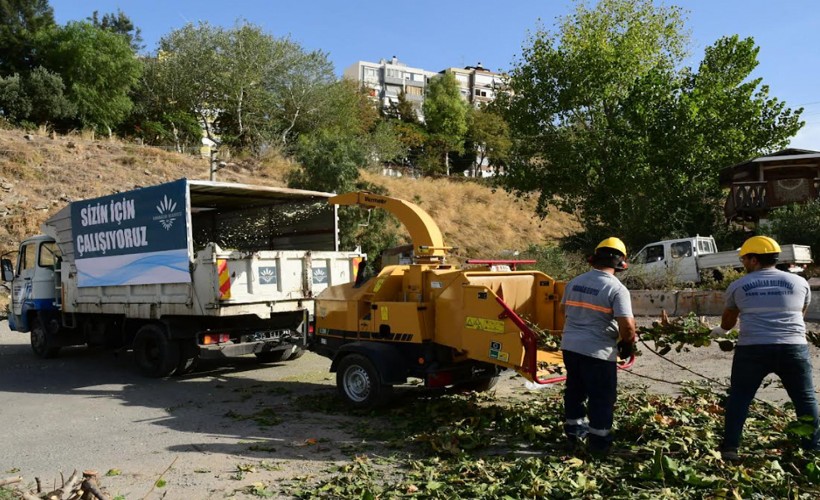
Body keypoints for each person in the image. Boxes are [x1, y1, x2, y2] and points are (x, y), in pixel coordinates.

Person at [711, 235, 819, 462]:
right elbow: (800, 314)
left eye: (744, 259)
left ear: (753, 260)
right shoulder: (800, 283)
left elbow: (728, 324)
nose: (743, 264)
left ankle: (730, 448)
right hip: (793, 348)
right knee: (805, 399)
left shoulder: (738, 285)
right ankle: (813, 449)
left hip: (753, 350)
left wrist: (718, 332)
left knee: (740, 397)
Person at [560, 237, 636, 453]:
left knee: (574, 391)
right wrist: (627, 346)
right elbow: (628, 328)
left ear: (595, 258)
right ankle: (599, 443)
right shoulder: (617, 289)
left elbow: (562, 312)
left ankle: (574, 435)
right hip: (598, 353)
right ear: (621, 263)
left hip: (571, 348)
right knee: (601, 397)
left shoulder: (574, 282)